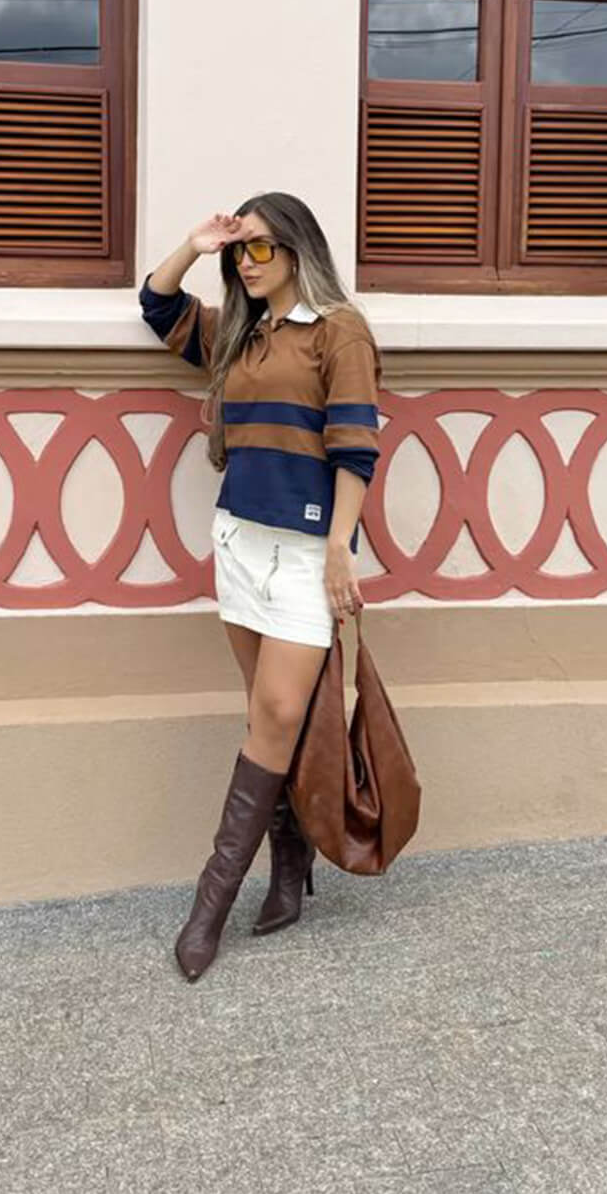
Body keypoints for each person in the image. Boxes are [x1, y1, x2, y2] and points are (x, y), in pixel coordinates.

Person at [139, 191, 382, 982]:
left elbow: (355, 446)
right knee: (266, 717)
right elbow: (157, 303)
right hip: (239, 540)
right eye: (241, 250)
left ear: (299, 251)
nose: (247, 261)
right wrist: (197, 242)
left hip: (306, 552)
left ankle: (208, 907)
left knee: (277, 714)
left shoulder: (339, 330)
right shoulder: (238, 334)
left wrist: (340, 549)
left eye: (262, 248)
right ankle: (288, 868)